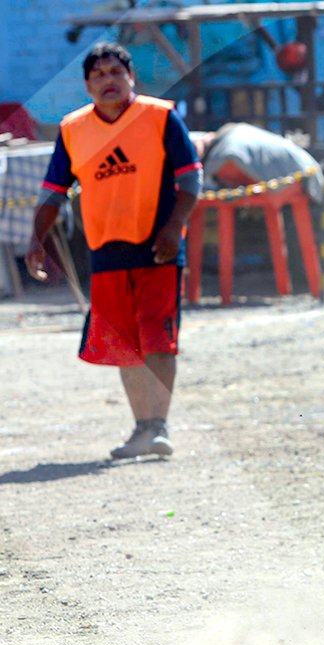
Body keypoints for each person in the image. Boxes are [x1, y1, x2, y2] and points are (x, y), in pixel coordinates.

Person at [26, 42, 201, 459]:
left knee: (158, 339)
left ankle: (159, 426)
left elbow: (191, 180)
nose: (108, 80)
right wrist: (36, 241)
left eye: (115, 72)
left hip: (157, 247)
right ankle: (142, 427)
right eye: (99, 74)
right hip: (105, 251)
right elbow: (53, 194)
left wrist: (174, 227)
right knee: (124, 344)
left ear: (131, 78)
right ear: (87, 85)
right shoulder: (73, 129)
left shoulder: (160, 117)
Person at [196, 122, 324, 287]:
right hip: (297, 174)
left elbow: (226, 168)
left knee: (223, 206)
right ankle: (296, 286)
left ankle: (226, 289)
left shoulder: (226, 151)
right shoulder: (237, 137)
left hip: (292, 180)